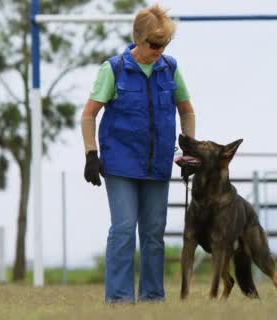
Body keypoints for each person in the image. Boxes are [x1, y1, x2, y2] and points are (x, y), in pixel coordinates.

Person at [80, 4, 196, 304]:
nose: (160, 50)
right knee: (123, 229)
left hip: (157, 164)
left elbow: (186, 110)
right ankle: (118, 299)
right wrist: (91, 154)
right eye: (155, 44)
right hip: (120, 164)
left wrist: (190, 149)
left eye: (165, 44)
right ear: (139, 38)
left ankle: (152, 298)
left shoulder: (170, 68)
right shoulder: (114, 69)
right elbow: (89, 115)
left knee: (154, 233)